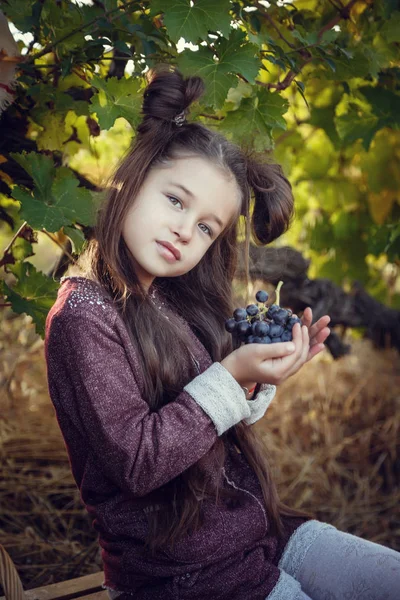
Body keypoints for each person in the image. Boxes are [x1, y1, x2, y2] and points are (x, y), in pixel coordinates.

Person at [44, 68, 400, 600]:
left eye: (207, 227)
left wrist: (255, 378)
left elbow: (207, 414)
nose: (187, 230)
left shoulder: (169, 296)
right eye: (175, 200)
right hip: (187, 576)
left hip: (259, 535)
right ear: (134, 178)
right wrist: (231, 378)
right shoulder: (83, 316)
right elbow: (140, 462)